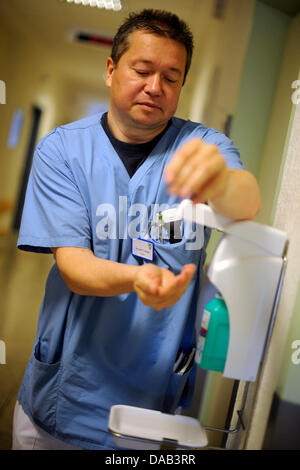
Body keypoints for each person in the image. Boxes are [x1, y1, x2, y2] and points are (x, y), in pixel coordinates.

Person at [12, 9, 261, 450]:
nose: (155, 87)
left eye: (171, 76)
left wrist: (220, 182)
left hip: (149, 406)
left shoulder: (203, 147)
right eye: (142, 70)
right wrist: (136, 279)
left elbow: (246, 200)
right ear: (111, 70)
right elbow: (74, 267)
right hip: (63, 398)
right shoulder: (64, 150)